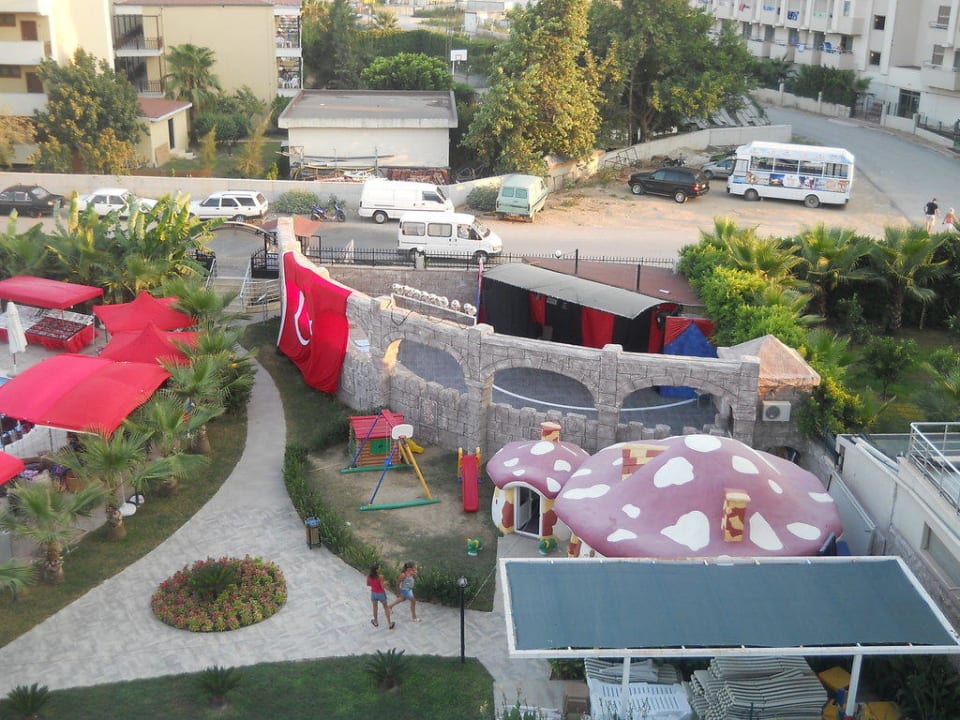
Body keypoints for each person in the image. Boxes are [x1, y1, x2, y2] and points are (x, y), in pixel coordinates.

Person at [366, 563, 394, 629]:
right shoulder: (380, 577)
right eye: (379, 568)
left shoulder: (369, 576)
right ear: (376, 570)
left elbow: (368, 584)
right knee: (386, 608)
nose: (380, 569)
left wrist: (374, 585)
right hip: (381, 594)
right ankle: (390, 624)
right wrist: (385, 583)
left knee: (375, 608)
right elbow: (382, 587)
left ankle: (375, 622)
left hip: (373, 593)